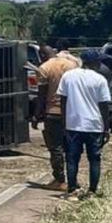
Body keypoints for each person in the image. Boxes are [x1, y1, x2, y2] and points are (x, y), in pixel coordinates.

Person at [57, 49, 112, 201]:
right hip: (94, 125)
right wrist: (106, 128)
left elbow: (63, 101)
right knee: (94, 159)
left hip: (73, 124)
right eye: (98, 61)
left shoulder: (68, 76)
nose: (100, 64)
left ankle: (72, 189)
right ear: (93, 62)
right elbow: (104, 106)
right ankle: (92, 191)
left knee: (72, 158)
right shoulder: (99, 79)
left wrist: (64, 122)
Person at [35, 46, 78, 190]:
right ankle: (73, 179)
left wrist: (36, 115)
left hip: (53, 112)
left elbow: (42, 95)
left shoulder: (44, 68)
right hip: (72, 113)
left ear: (42, 55)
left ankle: (59, 180)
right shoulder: (71, 65)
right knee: (71, 147)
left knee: (55, 147)